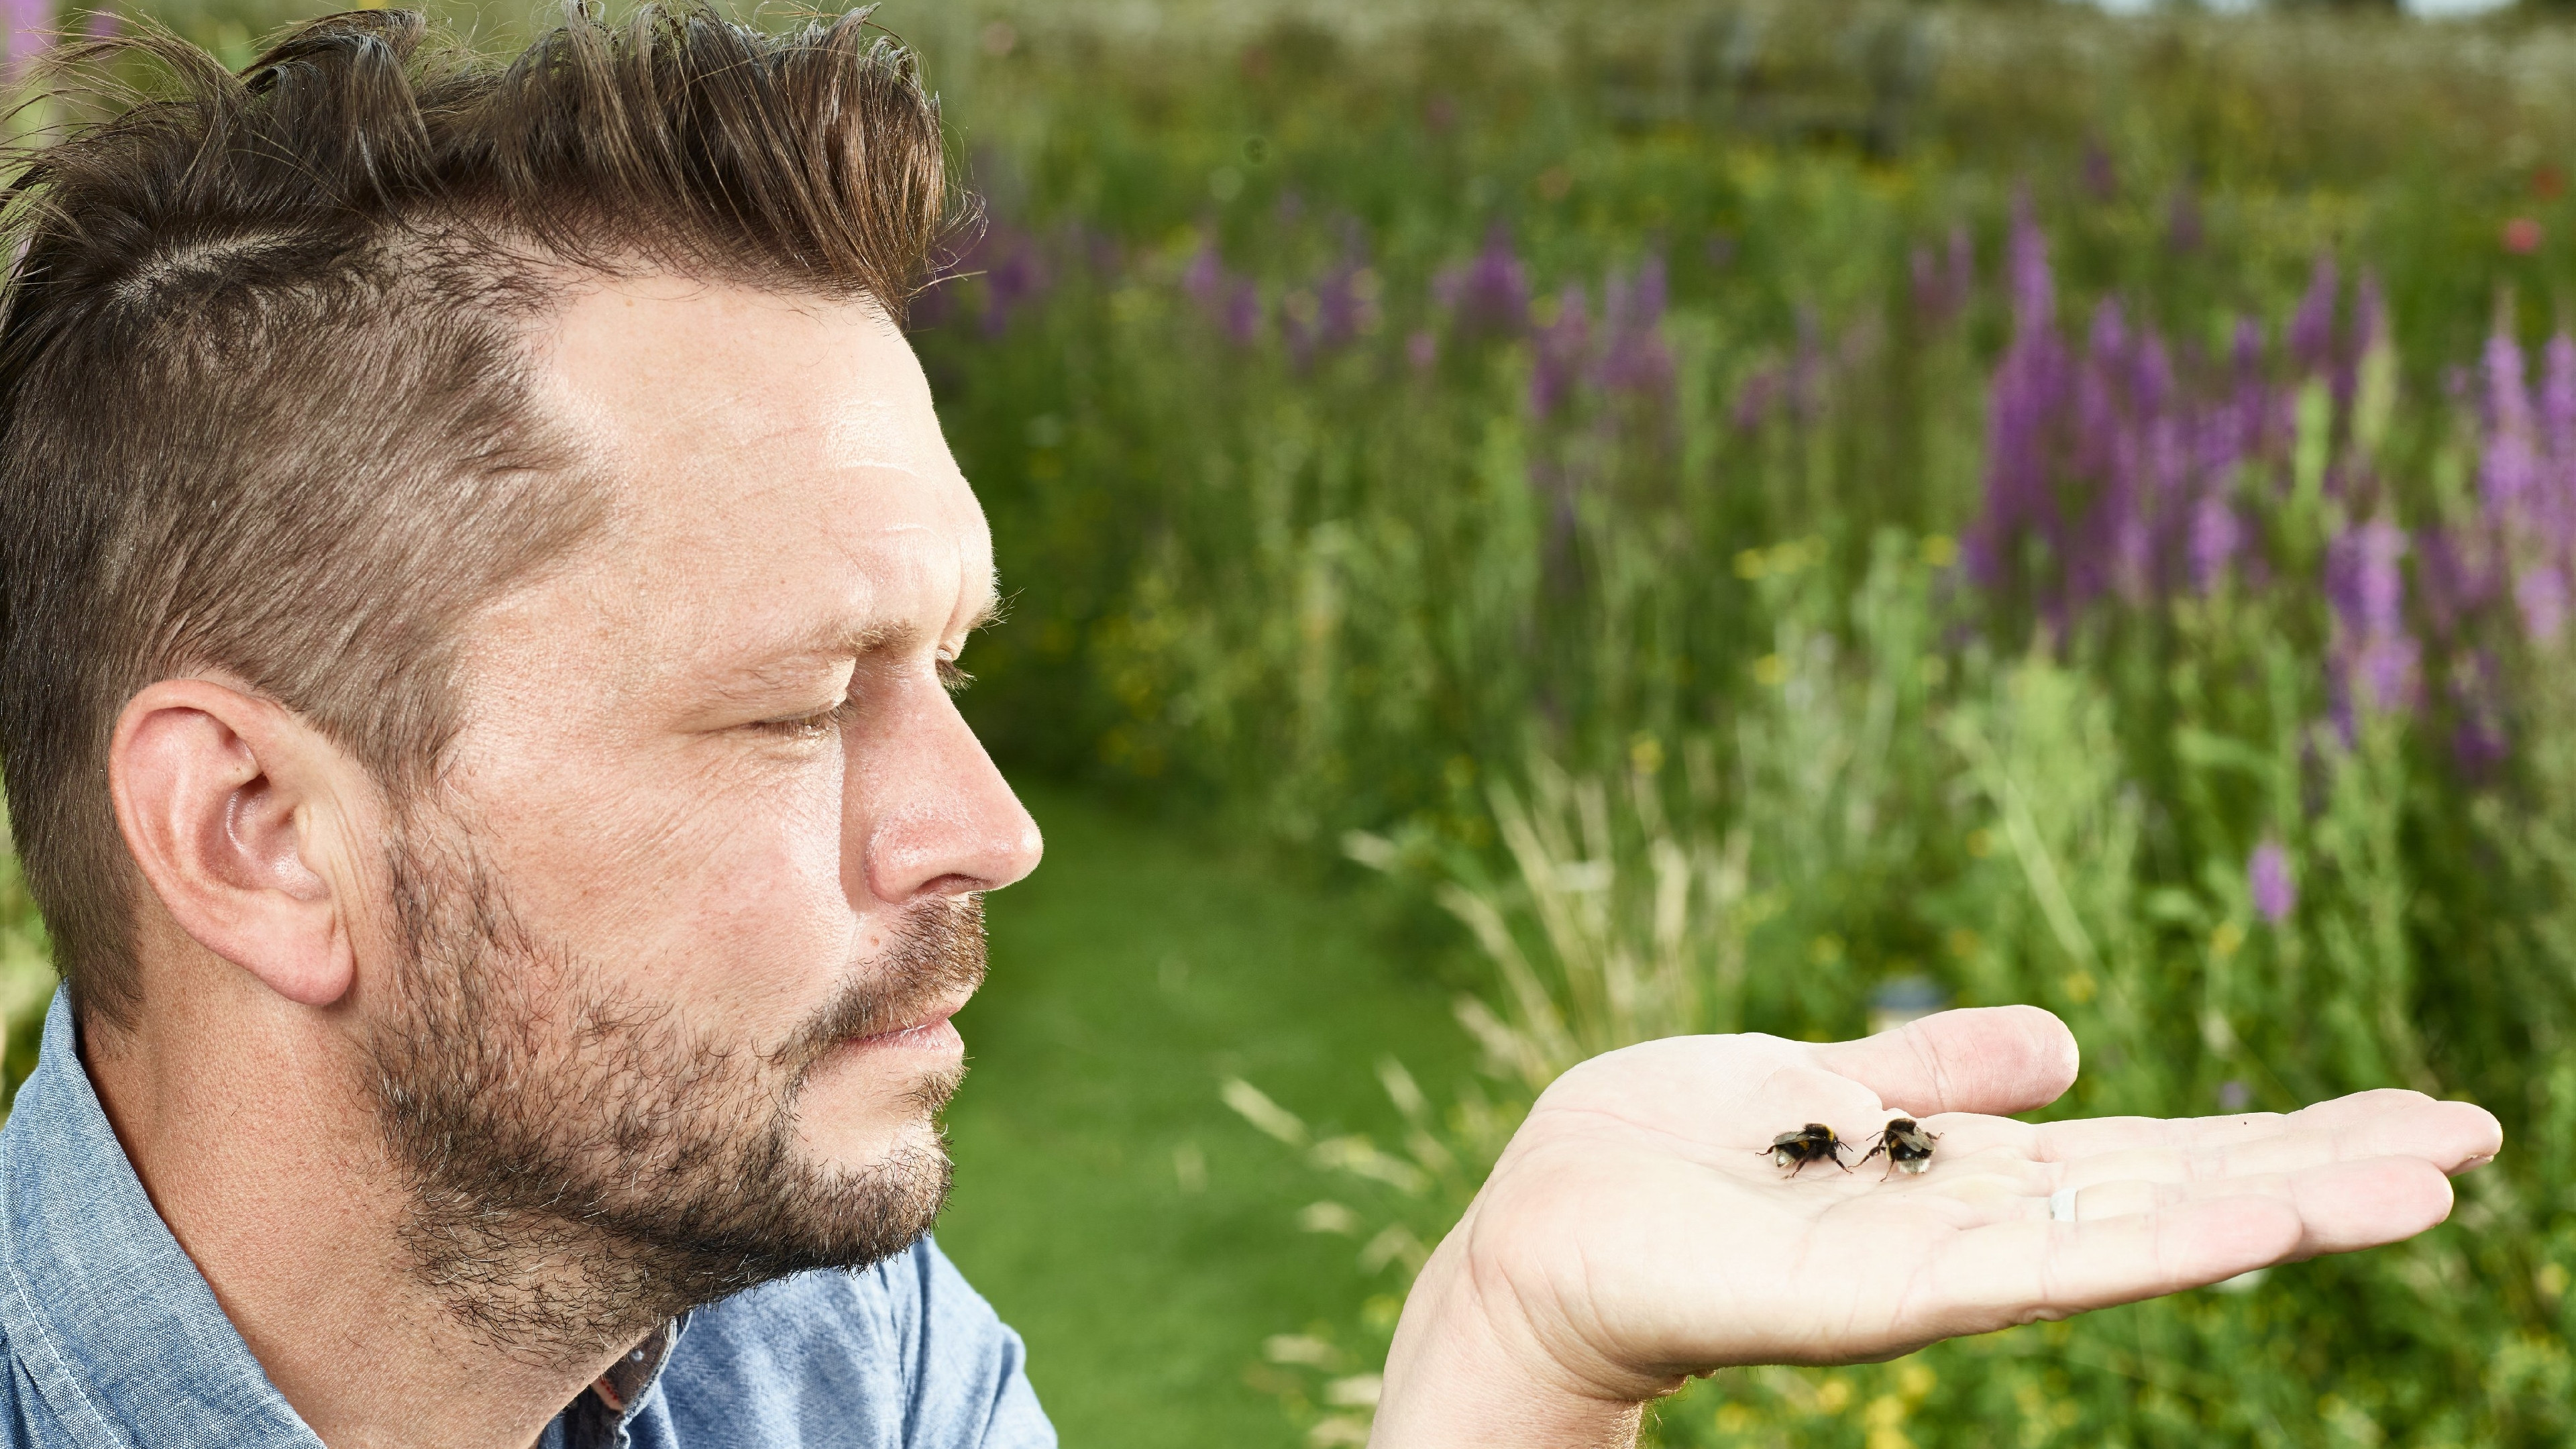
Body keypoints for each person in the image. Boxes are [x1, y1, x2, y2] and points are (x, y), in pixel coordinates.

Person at [0, 8, 2499, 1448]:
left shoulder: (803, 1346)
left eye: (949, 674)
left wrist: (1511, 1350)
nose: (990, 829)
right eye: (796, 711)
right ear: (255, 836)